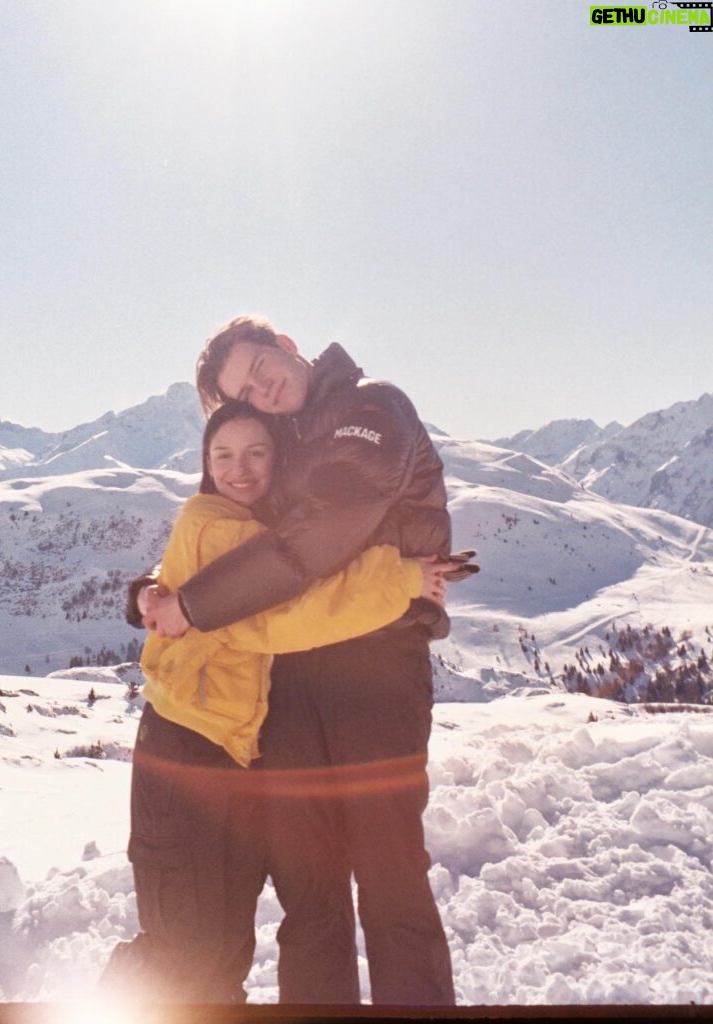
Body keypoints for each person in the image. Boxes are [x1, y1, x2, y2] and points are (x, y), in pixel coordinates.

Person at [135, 315, 472, 1007]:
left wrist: (193, 606)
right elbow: (231, 535)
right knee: (310, 890)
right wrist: (150, 590)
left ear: (286, 344)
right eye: (244, 393)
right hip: (289, 684)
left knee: (389, 879)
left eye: (260, 366)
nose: (260, 388)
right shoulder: (279, 439)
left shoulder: (372, 409)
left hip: (375, 676)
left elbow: (311, 538)